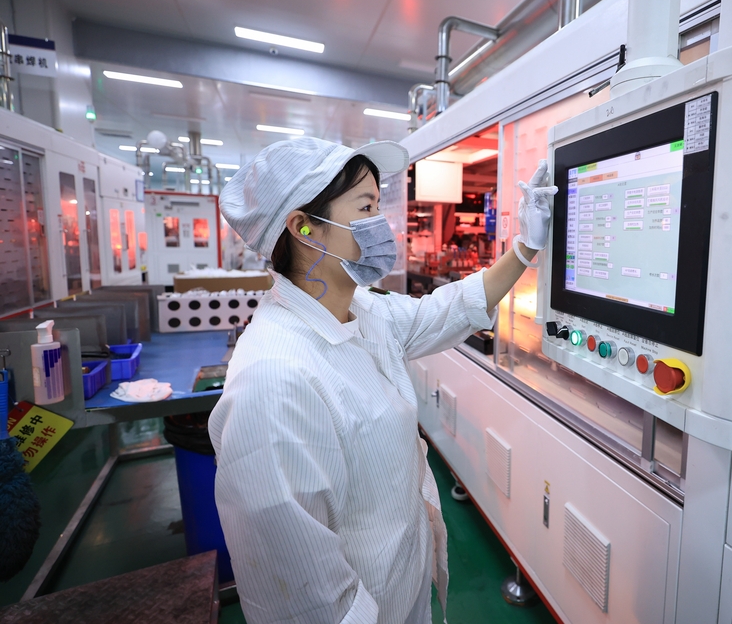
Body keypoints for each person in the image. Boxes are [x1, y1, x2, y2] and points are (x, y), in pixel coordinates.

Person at [211, 137, 556, 624]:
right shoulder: (273, 382)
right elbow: (304, 599)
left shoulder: (363, 311)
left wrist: (525, 248)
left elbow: (446, 309)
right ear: (304, 227)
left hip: (402, 589)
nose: (382, 225)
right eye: (366, 207)